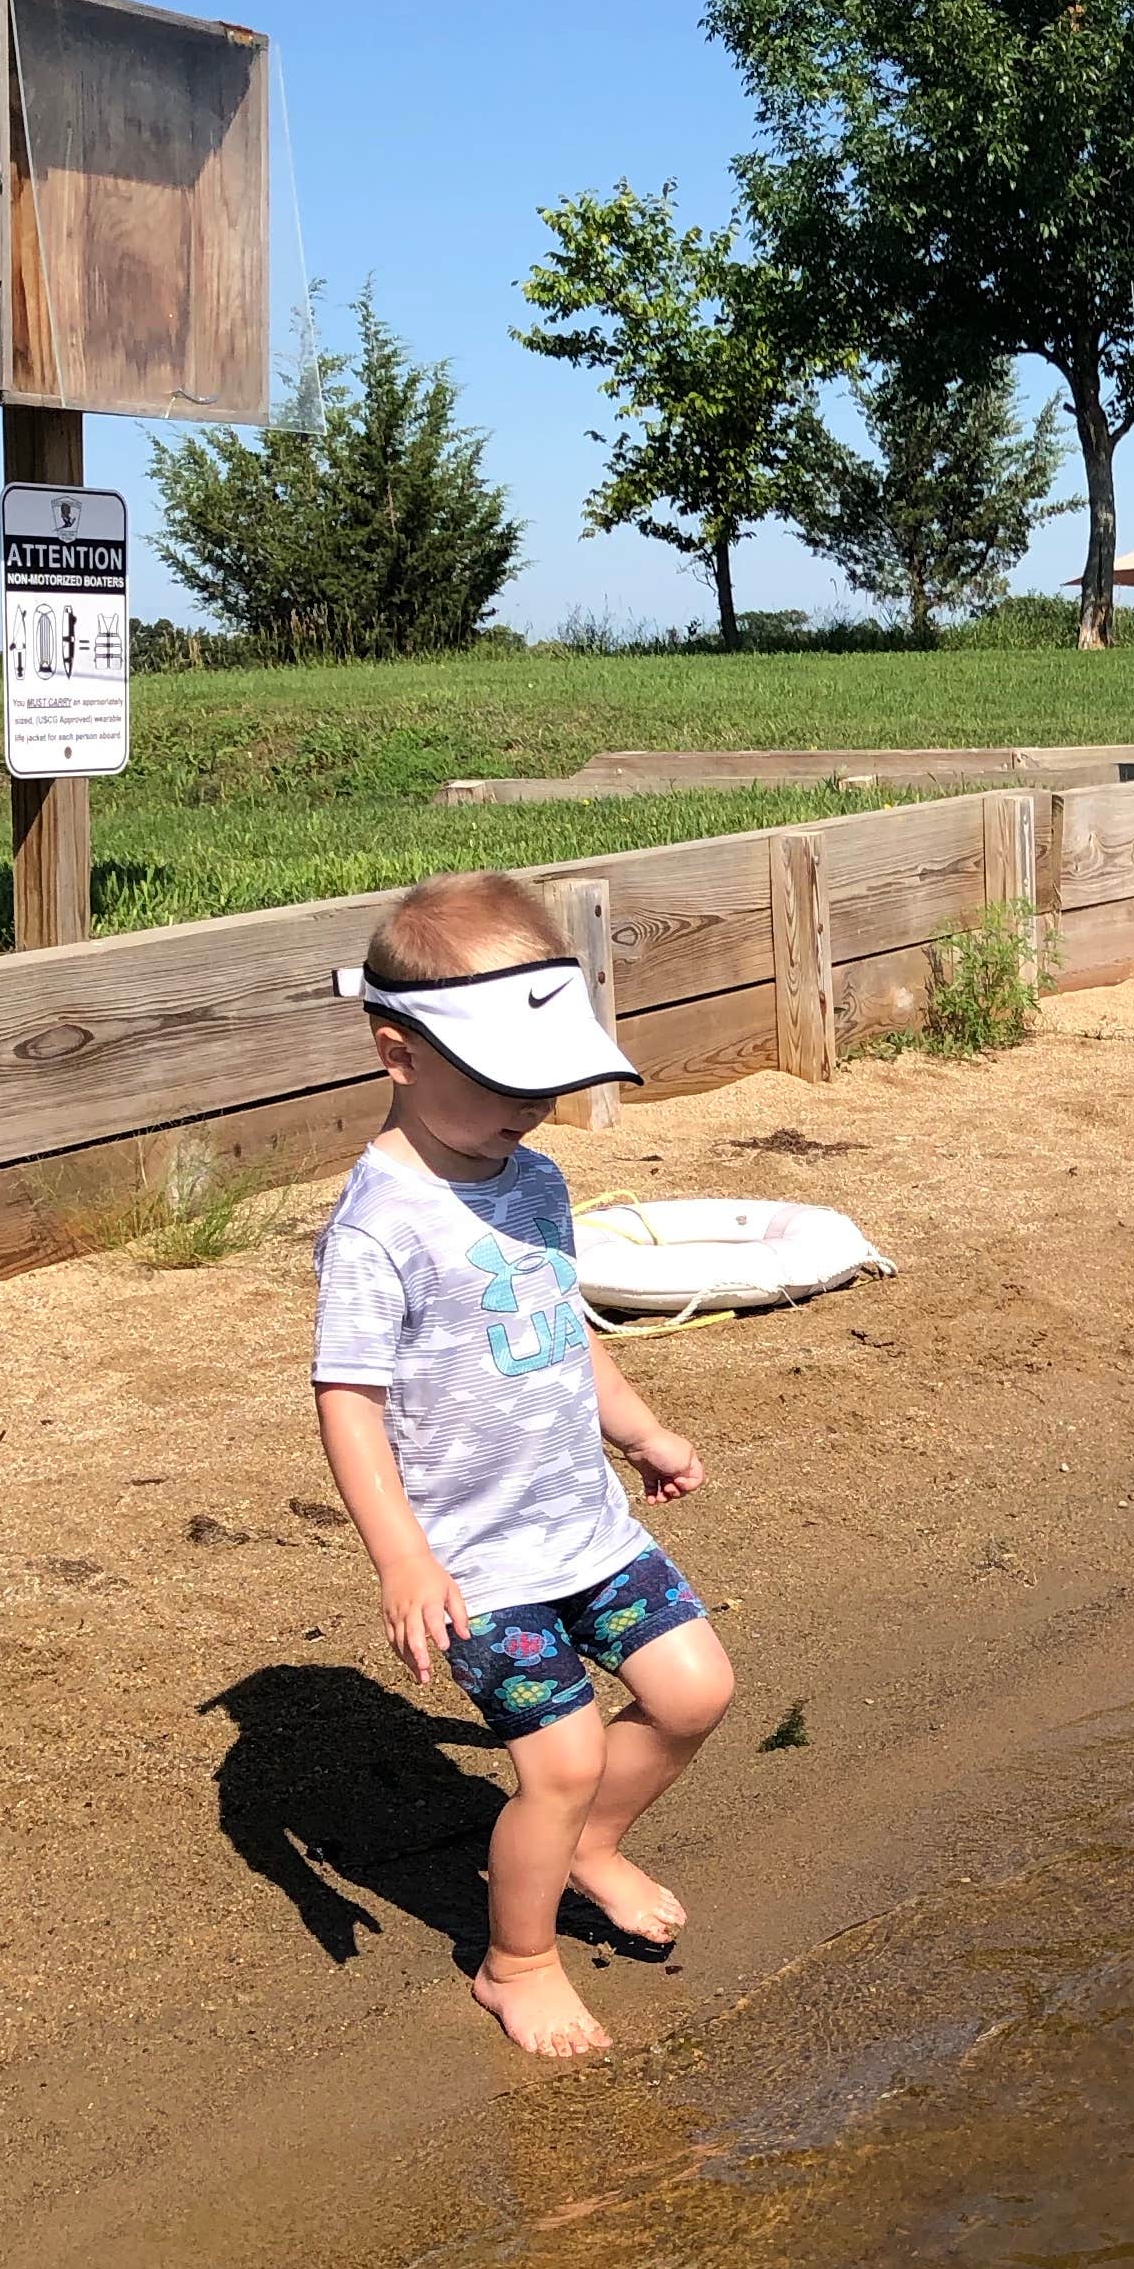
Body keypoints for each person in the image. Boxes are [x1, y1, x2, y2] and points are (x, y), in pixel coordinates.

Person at [310, 871, 736, 2057]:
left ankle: (591, 1847)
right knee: (561, 1757)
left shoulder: (534, 1181)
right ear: (397, 1052)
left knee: (696, 1691)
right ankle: (518, 1958)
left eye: (548, 1086)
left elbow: (560, 1330)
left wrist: (640, 1429)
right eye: (504, 1085)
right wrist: (403, 1564)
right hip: (480, 1562)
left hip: (585, 1524)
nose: (532, 1110)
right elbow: (347, 1401)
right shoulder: (380, 1221)